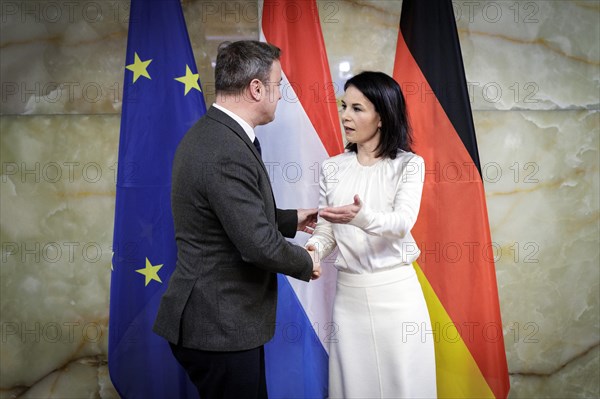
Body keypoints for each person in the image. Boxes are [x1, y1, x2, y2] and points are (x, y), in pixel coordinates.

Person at [153, 40, 321, 399]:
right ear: (256, 88)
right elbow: (257, 244)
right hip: (218, 326)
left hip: (220, 322)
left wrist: (292, 219)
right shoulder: (224, 149)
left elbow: (231, 216)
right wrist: (308, 260)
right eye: (277, 86)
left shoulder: (216, 134)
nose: (279, 96)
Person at [306, 71, 436, 398]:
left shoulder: (409, 165)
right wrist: (313, 249)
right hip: (348, 300)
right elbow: (327, 228)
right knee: (354, 386)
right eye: (344, 105)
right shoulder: (332, 167)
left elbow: (402, 222)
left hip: (397, 297)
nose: (345, 115)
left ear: (382, 116)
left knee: (403, 386)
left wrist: (362, 217)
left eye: (357, 108)